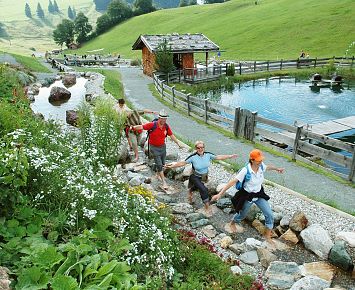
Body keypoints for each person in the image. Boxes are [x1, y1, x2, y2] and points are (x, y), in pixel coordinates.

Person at [211, 149, 284, 242]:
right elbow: (232, 182)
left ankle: (267, 236)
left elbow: (267, 167)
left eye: (261, 160)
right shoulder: (245, 170)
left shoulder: (261, 166)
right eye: (258, 160)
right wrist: (220, 194)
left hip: (259, 194)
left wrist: (277, 169)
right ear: (252, 160)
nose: (260, 162)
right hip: (247, 196)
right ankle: (232, 222)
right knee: (242, 215)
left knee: (269, 214)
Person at [165, 140, 237, 215]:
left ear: (204, 148)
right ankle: (207, 207)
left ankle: (190, 191)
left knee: (197, 187)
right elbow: (182, 163)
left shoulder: (208, 155)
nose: (200, 149)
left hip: (204, 177)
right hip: (195, 176)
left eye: (202, 147)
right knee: (204, 189)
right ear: (196, 148)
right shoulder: (193, 157)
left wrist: (230, 156)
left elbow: (218, 157)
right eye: (198, 148)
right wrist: (172, 166)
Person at [132, 109, 182, 190]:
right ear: (159, 118)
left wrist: (178, 143)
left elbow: (171, 135)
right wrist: (133, 127)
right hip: (154, 148)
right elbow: (142, 127)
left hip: (162, 147)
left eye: (165, 118)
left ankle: (157, 175)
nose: (164, 120)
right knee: (159, 164)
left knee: (162, 164)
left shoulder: (166, 126)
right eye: (163, 118)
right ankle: (164, 182)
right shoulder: (152, 125)